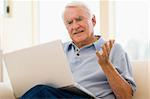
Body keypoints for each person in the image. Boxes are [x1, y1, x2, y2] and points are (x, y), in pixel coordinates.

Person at [20, 1, 136, 99]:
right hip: (60, 96)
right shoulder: (59, 50)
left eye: (79, 19)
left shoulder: (113, 49)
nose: (75, 26)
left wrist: (106, 65)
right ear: (67, 28)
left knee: (42, 92)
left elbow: (126, 96)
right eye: (70, 23)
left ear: (93, 20)